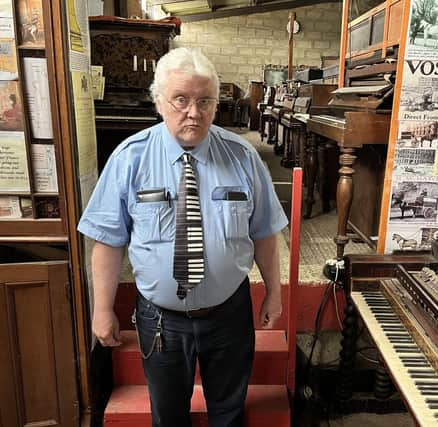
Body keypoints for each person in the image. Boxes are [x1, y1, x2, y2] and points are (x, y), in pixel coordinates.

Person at [78, 47, 288, 427]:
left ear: (216, 103)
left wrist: (274, 292)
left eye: (204, 101)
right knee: (169, 417)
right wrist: (102, 309)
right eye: (181, 99)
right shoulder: (130, 158)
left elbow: (264, 233)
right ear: (159, 101)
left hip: (229, 314)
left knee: (228, 413)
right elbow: (108, 241)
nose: (194, 111)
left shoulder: (243, 157)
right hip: (160, 321)